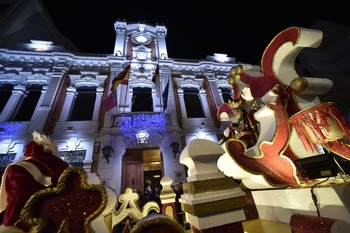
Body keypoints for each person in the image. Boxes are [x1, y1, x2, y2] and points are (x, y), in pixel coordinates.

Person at [0, 131, 70, 233]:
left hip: (25, 225)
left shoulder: (19, 168)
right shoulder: (67, 167)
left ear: (29, 151)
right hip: (63, 224)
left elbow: (17, 201)